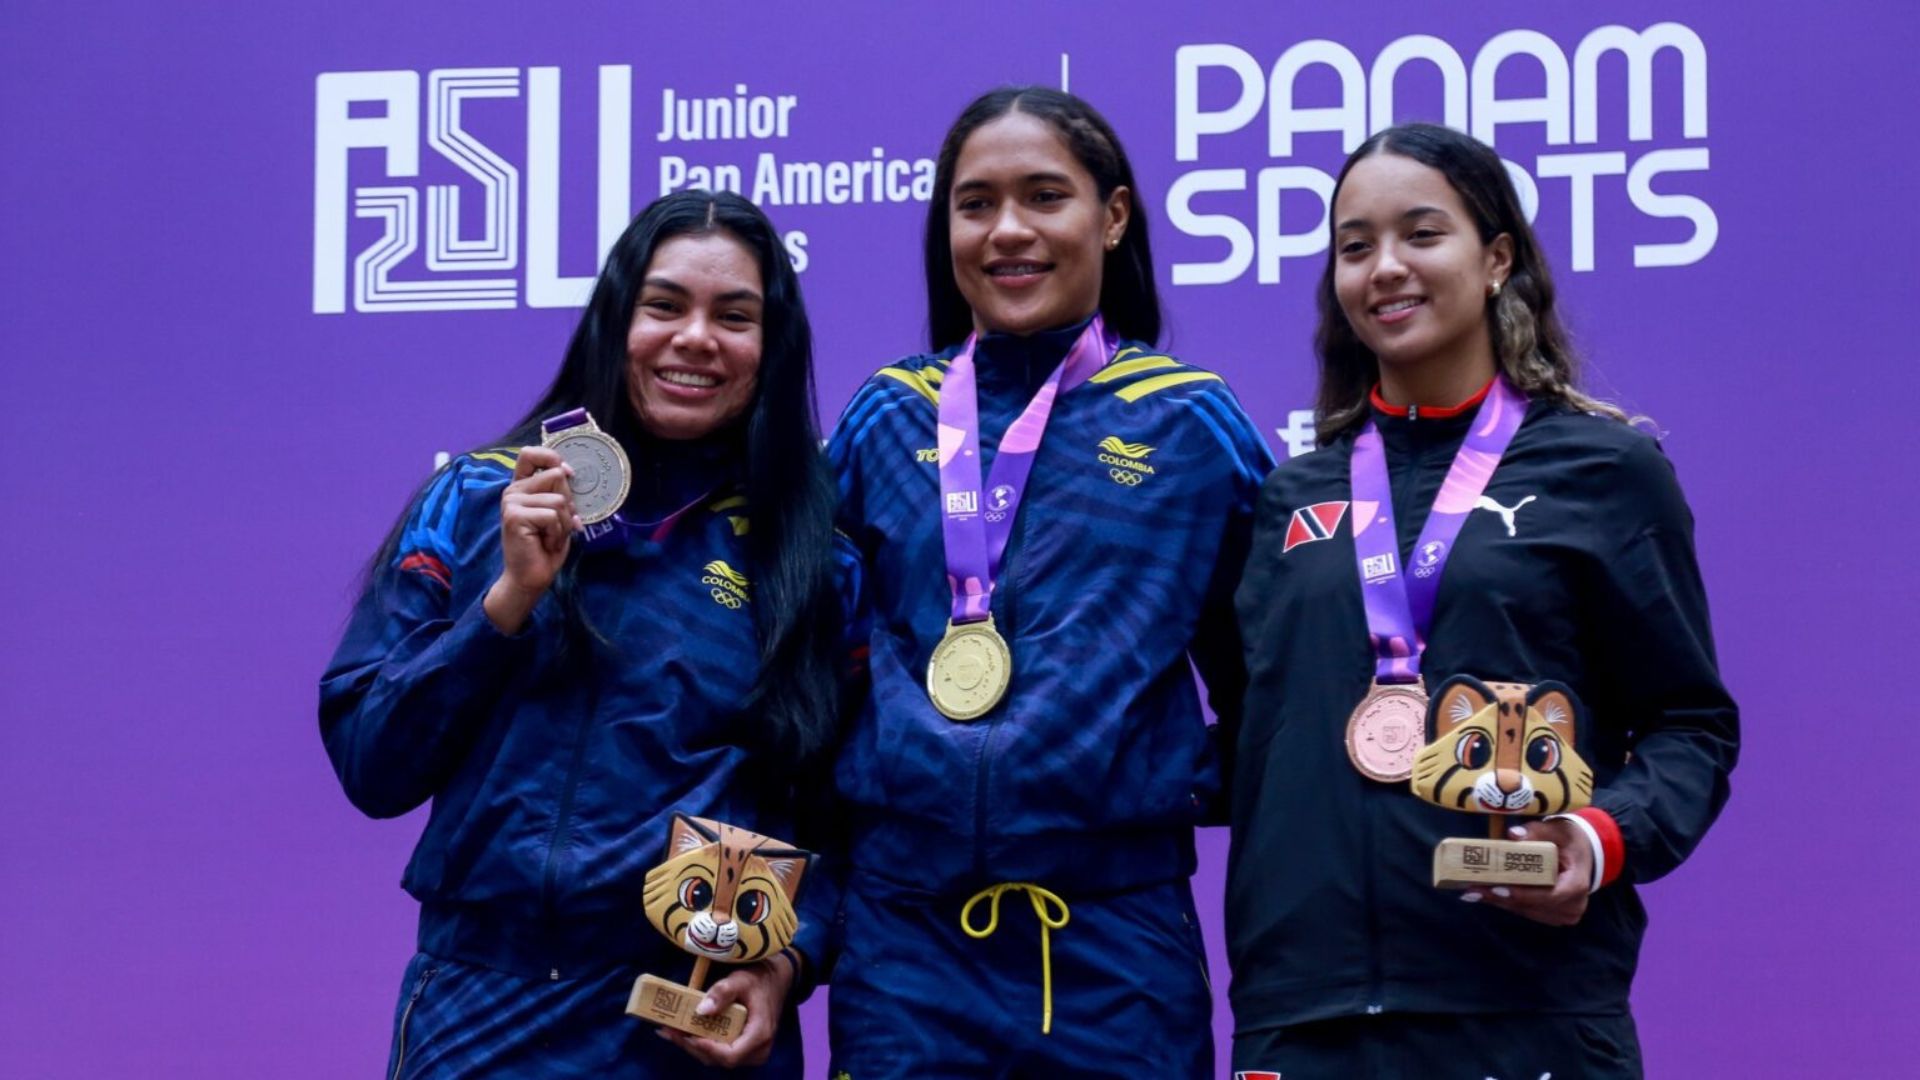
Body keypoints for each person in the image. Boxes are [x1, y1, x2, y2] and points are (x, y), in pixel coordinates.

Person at [1227, 122, 1740, 1078]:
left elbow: (1690, 724)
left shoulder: (1605, 469)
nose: (1385, 268)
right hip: (1305, 1015)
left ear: (1498, 257)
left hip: (1524, 1007)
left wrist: (1599, 838)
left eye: (1422, 235)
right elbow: (1252, 738)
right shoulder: (1291, 495)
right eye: (1354, 246)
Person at [320, 190, 841, 1077]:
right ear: (616, 321)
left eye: (736, 316)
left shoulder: (813, 556)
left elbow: (852, 811)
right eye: (664, 305)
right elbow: (375, 763)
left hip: (692, 1014)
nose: (696, 339)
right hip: (483, 1006)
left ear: (771, 346)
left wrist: (788, 963)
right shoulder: (479, 498)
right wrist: (508, 602)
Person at [823, 86, 1275, 1077]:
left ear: (1113, 218)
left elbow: (1275, 685)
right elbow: (804, 673)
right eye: (975, 203)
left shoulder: (1189, 424)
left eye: (1044, 197)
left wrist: (1155, 776)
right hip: (904, 951)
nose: (1008, 231)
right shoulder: (887, 414)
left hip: (1115, 952)